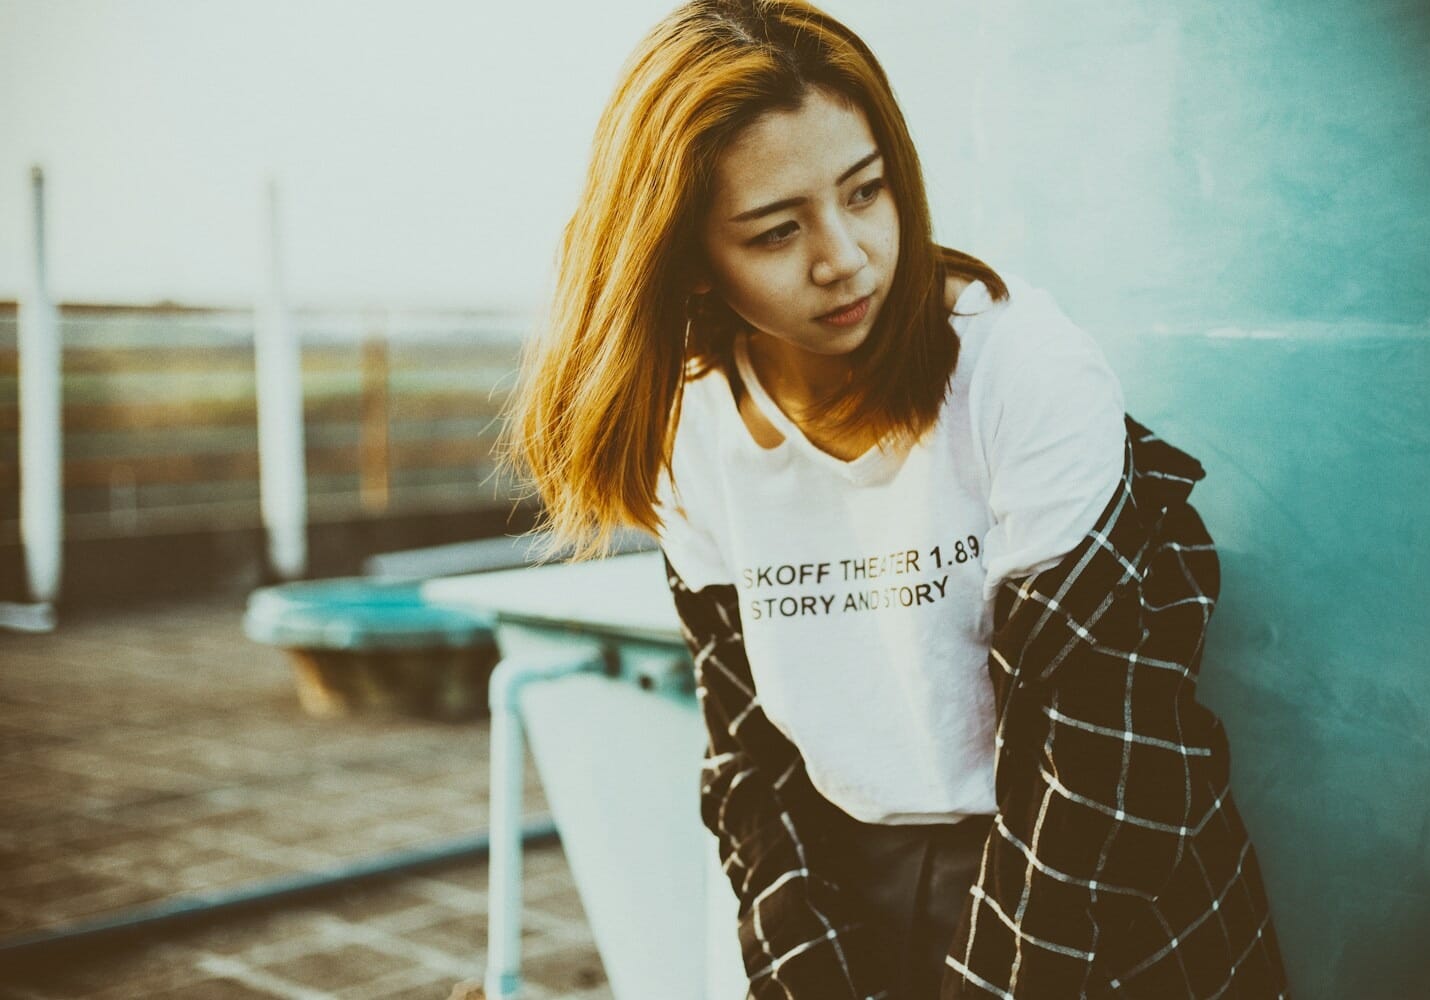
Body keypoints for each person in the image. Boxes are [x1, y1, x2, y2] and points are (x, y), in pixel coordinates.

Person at [506, 1, 1289, 996]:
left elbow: (1102, 755)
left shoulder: (1022, 373)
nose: (846, 256)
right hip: (856, 892)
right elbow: (753, 769)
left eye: (866, 191)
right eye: (776, 230)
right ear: (691, 259)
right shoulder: (690, 432)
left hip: (1098, 900)